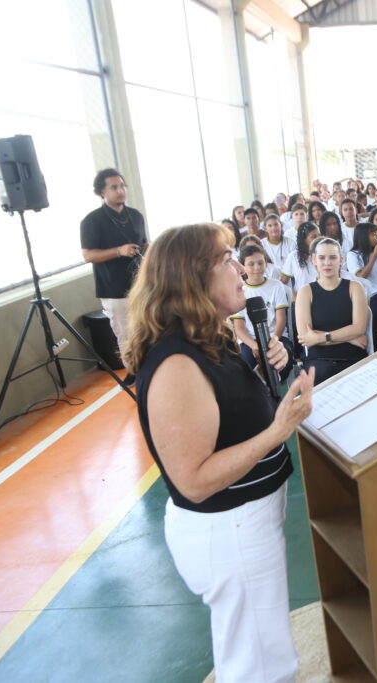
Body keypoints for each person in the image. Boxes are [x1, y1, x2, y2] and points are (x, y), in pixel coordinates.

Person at [124, 223, 313, 683]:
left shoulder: (209, 337)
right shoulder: (176, 364)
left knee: (261, 647)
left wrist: (268, 370)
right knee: (257, 663)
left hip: (245, 522)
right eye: (227, 259)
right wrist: (279, 430)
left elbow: (230, 416)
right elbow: (193, 479)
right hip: (228, 531)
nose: (240, 269)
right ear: (194, 276)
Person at [80, 168, 149, 384]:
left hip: (141, 284)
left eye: (122, 186)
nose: (120, 191)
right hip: (114, 288)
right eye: (114, 187)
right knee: (125, 333)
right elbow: (88, 255)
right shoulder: (92, 221)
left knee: (149, 328)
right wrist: (119, 251)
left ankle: (151, 368)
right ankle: (133, 372)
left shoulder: (135, 215)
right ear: (102, 192)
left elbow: (145, 243)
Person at [296, 237, 369, 383]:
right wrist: (350, 338)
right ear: (313, 260)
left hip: (352, 355)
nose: (327, 262)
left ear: (341, 260)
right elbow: (306, 337)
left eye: (333, 257)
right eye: (322, 258)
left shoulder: (355, 287)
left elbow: (359, 328)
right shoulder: (305, 292)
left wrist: (319, 338)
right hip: (319, 359)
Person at [229, 244, 292, 379]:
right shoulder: (239, 290)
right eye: (251, 264)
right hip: (250, 341)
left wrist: (273, 341)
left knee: (280, 362)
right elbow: (239, 329)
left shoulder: (276, 286)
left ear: (266, 263)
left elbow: (281, 321)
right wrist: (255, 346)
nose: (257, 268)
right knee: (245, 368)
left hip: (276, 338)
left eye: (260, 263)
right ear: (243, 266)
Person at [347, 222, 377, 343]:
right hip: (369, 298)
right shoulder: (353, 255)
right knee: (375, 321)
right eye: (373, 234)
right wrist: (374, 256)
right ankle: (376, 344)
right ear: (364, 236)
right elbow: (361, 278)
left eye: (376, 233)